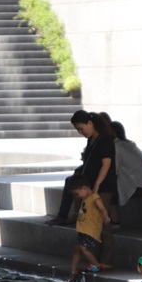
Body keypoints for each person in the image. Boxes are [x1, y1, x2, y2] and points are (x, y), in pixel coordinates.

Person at [46, 110, 117, 268]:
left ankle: (105, 261)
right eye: (78, 130)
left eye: (81, 128)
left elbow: (106, 164)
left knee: (103, 226)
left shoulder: (105, 141)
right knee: (92, 225)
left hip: (102, 189)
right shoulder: (92, 140)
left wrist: (97, 185)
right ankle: (95, 262)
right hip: (90, 189)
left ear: (90, 124)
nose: (80, 132)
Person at [66, 174, 111, 282]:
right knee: (77, 250)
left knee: (83, 248)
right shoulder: (85, 198)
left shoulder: (94, 197)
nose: (77, 196)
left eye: (77, 193)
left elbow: (102, 209)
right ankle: (73, 272)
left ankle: (97, 265)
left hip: (90, 230)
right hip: (83, 229)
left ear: (84, 188)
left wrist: (105, 216)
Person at [111, 121, 142, 207]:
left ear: (113, 132)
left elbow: (114, 170)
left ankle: (113, 219)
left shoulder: (116, 146)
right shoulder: (131, 144)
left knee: (108, 195)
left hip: (139, 186)